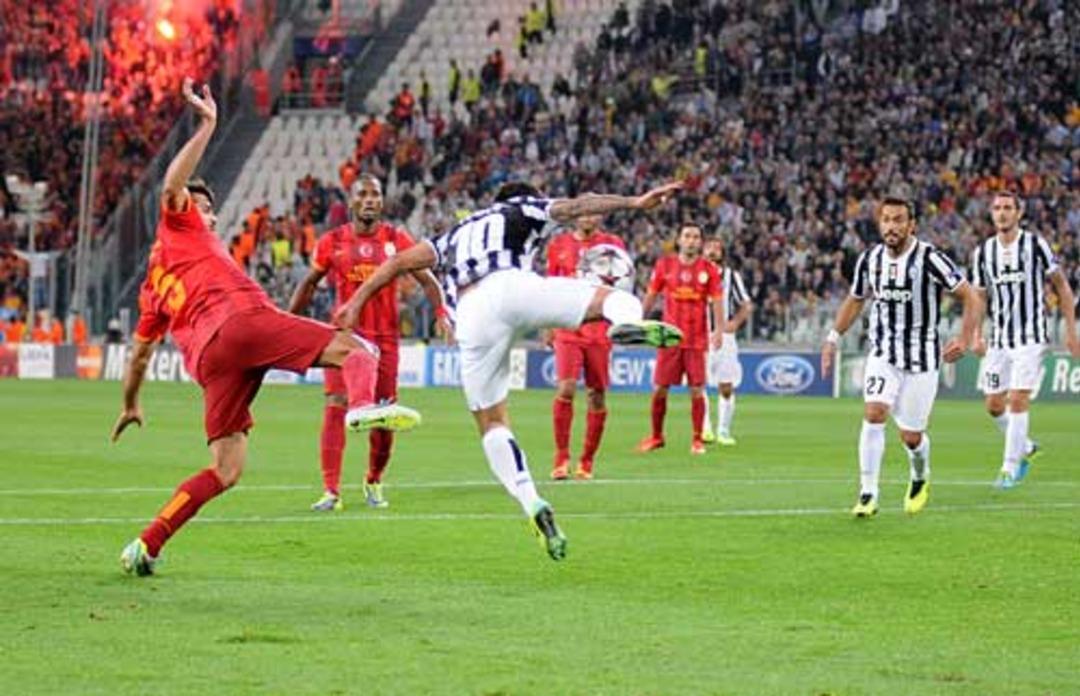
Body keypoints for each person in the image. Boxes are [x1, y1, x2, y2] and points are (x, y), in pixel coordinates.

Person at [113, 79, 422, 577]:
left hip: (212, 366)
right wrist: (209, 125)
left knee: (226, 469)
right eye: (206, 208)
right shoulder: (182, 222)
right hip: (241, 321)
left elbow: (141, 355)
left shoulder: (152, 285)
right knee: (359, 349)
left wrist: (130, 403)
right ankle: (362, 409)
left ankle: (146, 545)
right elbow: (172, 188)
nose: (209, 215)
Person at [334, 180, 686, 561]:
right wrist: (635, 200)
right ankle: (620, 323)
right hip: (513, 286)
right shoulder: (523, 208)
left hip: (470, 316)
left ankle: (530, 499)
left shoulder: (455, 233)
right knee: (617, 299)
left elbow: (398, 262)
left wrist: (355, 301)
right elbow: (579, 205)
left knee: (492, 423)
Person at [289, 174, 448, 511]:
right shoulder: (332, 242)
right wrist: (286, 322)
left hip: (386, 341)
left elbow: (428, 278)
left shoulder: (397, 239)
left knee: (385, 414)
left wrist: (440, 311)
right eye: (363, 194)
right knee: (335, 403)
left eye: (376, 194)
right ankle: (330, 490)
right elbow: (308, 284)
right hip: (345, 339)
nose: (370, 200)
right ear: (351, 200)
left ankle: (374, 480)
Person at [821, 196, 978, 518]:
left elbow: (971, 296)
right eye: (887, 220)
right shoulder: (870, 260)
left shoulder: (930, 258)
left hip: (922, 361)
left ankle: (920, 475)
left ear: (911, 225)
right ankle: (868, 493)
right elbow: (855, 300)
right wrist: (833, 338)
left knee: (911, 436)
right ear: (880, 223)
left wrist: (964, 337)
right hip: (883, 353)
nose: (891, 226)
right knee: (874, 412)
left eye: (898, 220)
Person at [970, 191, 1080, 489]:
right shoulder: (983, 252)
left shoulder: (1035, 245)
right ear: (991, 213)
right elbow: (979, 296)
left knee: (1018, 398)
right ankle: (1027, 447)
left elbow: (1063, 288)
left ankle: (1009, 467)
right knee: (994, 405)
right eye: (997, 208)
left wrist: (1072, 331)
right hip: (999, 339)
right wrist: (977, 334)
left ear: (1019, 213)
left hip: (1031, 336)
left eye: (1008, 208)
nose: (1002, 213)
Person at [544, 215, 626, 480]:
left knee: (597, 394)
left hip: (600, 329)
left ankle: (587, 461)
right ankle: (561, 458)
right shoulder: (559, 245)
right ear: (576, 215)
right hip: (568, 326)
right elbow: (551, 287)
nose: (588, 218)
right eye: (584, 212)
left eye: (593, 212)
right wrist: (547, 323)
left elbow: (623, 283)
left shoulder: (612, 245)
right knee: (566, 388)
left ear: (600, 216)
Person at [637, 224, 724, 456]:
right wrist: (637, 320)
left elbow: (717, 300)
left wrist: (719, 330)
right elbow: (651, 295)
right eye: (687, 236)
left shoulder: (709, 269)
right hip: (669, 338)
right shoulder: (664, 265)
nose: (692, 241)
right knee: (659, 390)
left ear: (701, 243)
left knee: (697, 390)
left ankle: (697, 439)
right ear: (679, 240)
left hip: (696, 339)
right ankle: (656, 436)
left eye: (696, 237)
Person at [701, 237, 751, 446]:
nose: (712, 251)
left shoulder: (731, 276)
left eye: (717, 248)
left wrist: (735, 323)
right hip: (700, 335)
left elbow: (746, 304)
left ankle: (723, 430)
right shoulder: (694, 275)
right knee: (698, 384)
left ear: (722, 253)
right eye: (709, 247)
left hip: (725, 337)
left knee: (726, 385)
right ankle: (704, 429)